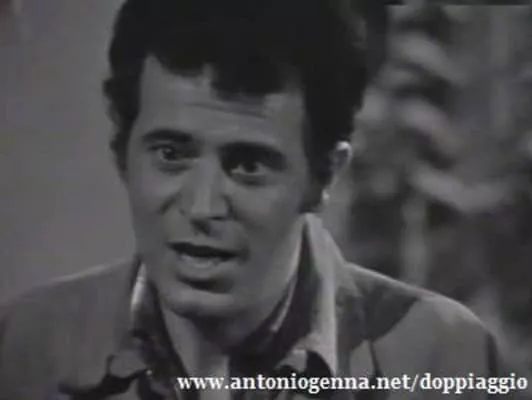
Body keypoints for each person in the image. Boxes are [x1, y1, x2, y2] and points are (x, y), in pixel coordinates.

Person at [0, 0, 525, 399]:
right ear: (123, 152)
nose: (202, 207)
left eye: (248, 165)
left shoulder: (445, 358)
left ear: (323, 175)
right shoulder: (25, 346)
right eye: (171, 154)